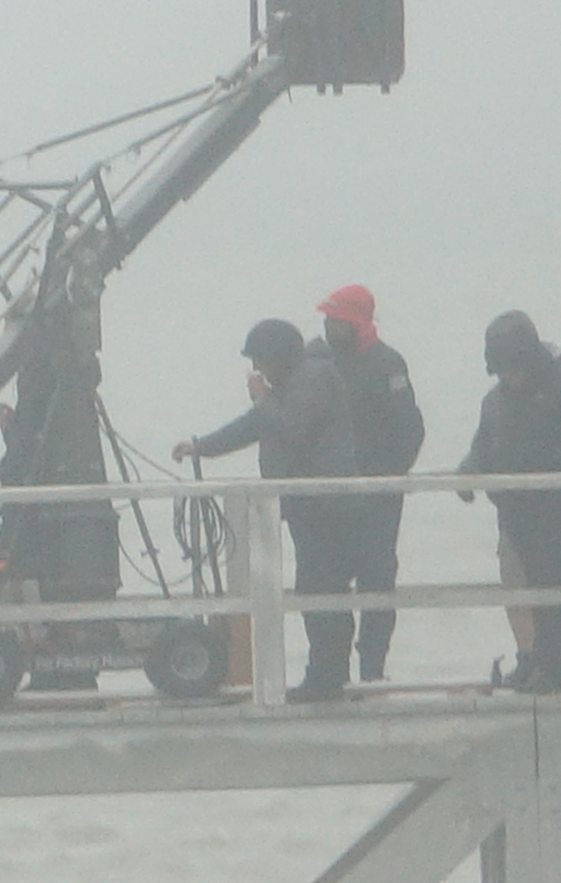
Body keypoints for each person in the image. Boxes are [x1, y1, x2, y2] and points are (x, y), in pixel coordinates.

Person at [173, 318, 359, 702]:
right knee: (316, 588)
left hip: (326, 505)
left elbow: (293, 428)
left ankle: (328, 677)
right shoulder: (291, 384)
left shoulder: (314, 376)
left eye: (261, 361)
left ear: (279, 357)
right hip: (307, 506)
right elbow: (254, 426)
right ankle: (326, 675)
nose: (258, 370)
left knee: (322, 589)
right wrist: (201, 446)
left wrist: (261, 398)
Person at [314, 285, 424, 682]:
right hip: (331, 498)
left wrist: (389, 480)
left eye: (335, 320)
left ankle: (372, 670)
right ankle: (331, 671)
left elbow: (410, 429)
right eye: (325, 319)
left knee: (377, 582)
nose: (327, 327)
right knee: (328, 583)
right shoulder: (317, 361)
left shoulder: (388, 363)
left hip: (377, 497)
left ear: (356, 323)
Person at [455, 311, 561, 694]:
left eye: (513, 368)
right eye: (501, 370)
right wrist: (467, 474)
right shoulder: (495, 401)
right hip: (516, 515)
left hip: (553, 512)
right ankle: (536, 661)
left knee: (553, 592)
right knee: (530, 594)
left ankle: (551, 666)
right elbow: (484, 446)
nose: (507, 377)